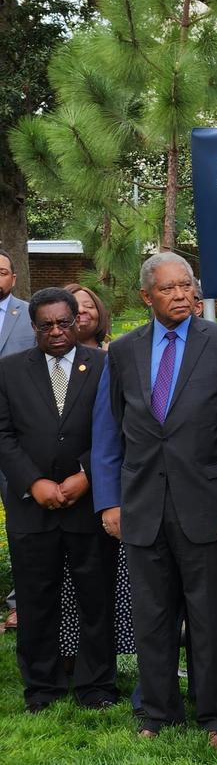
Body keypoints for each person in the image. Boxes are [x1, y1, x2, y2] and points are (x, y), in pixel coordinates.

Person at [94, 252, 217, 747]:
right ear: (146, 296)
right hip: (142, 509)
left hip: (206, 506)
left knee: (210, 619)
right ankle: (156, 713)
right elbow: (110, 432)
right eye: (170, 289)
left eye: (188, 286)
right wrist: (110, 501)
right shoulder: (122, 351)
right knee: (152, 619)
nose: (183, 295)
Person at [0, 287, 117, 710]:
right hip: (32, 506)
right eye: (46, 325)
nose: (56, 332)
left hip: (88, 502)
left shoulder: (106, 366)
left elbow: (117, 428)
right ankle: (42, 687)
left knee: (96, 596)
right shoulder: (10, 370)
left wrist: (85, 475)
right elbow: (3, 434)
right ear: (33, 327)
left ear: (77, 320)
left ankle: (97, 686)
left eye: (63, 323)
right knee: (35, 598)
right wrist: (34, 483)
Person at [57, 284, 134, 667]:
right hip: (53, 492)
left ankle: (101, 657)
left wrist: (88, 473)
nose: (81, 312)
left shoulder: (117, 357)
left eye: (88, 305)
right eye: (73, 306)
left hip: (99, 484)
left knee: (101, 581)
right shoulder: (38, 362)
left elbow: (114, 427)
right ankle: (66, 653)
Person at [0, 247, 37, 630]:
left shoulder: (30, 317)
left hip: (14, 437)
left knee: (20, 522)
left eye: (2, 271)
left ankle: (21, 602)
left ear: (13, 277)